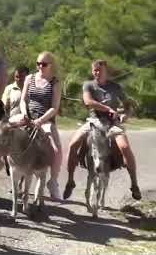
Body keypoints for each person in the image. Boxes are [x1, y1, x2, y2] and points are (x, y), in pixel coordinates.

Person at [63, 60, 142, 201]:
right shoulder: (88, 85)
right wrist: (108, 109)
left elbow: (128, 106)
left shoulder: (116, 87)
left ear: (107, 71)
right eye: (95, 70)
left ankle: (134, 183)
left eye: (100, 70)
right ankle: (70, 180)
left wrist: (125, 115)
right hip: (94, 121)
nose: (97, 72)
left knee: (125, 147)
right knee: (73, 144)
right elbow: (88, 102)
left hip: (112, 123)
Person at [19, 52, 63, 200]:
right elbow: (23, 99)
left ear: (51, 65)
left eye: (43, 64)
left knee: (56, 150)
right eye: (38, 63)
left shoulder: (55, 82)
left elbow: (54, 107)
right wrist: (25, 113)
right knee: (4, 132)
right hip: (27, 117)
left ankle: (54, 181)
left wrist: (41, 120)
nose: (40, 67)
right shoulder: (29, 78)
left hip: (45, 120)